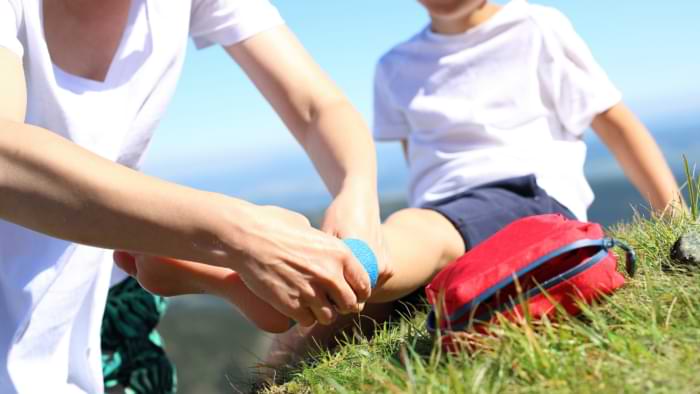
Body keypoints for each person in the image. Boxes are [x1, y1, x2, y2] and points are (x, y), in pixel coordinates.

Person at [119, 0, 683, 376]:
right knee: (327, 327)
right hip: (442, 212)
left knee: (404, 241)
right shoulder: (395, 66)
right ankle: (265, 285)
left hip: (530, 200)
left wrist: (675, 215)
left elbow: (618, 126)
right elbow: (424, 170)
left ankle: (271, 265)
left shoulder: (537, 28)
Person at [0, 0, 390, 392]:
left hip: (103, 308)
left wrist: (357, 194)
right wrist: (241, 236)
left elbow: (316, 107)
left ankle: (163, 256)